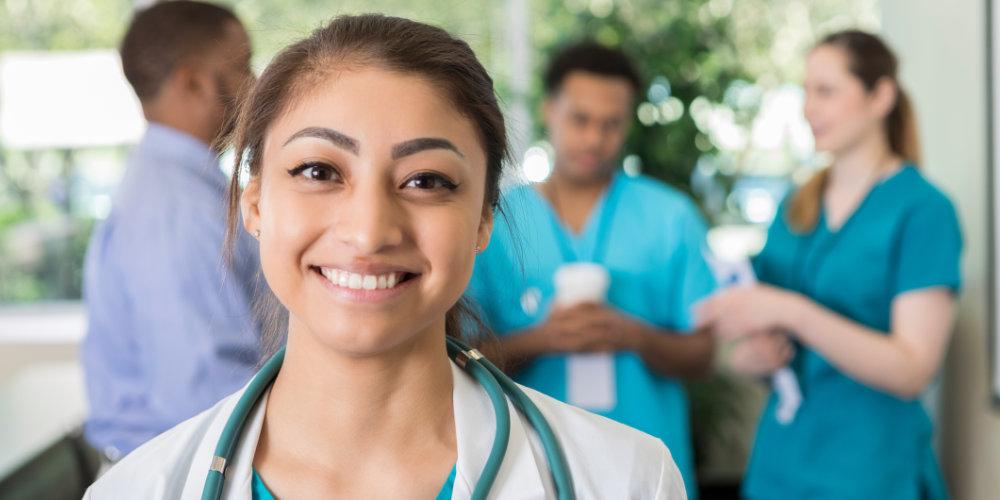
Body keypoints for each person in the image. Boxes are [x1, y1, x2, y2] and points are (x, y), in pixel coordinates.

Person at [84, 14, 687, 499]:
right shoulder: (139, 490)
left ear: (483, 219)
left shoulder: (626, 480)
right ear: (256, 202)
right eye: (318, 170)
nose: (370, 231)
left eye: (426, 180)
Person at [696, 30, 962, 499]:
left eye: (826, 91)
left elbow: (912, 370)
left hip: (870, 472)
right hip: (781, 466)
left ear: (880, 96)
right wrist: (750, 359)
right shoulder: (798, 207)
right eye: (805, 91)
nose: (808, 108)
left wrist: (792, 311)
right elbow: (764, 339)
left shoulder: (923, 210)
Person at [465, 42, 717, 496]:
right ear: (550, 111)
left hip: (647, 471)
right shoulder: (496, 223)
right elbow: (456, 358)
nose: (595, 139)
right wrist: (542, 339)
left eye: (612, 124)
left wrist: (634, 335)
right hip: (528, 468)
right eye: (581, 119)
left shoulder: (670, 217)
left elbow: (703, 355)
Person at [80, 0, 259, 461]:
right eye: (244, 68)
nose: (257, 86)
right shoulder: (178, 211)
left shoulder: (178, 188)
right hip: (184, 470)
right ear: (194, 81)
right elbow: (205, 394)